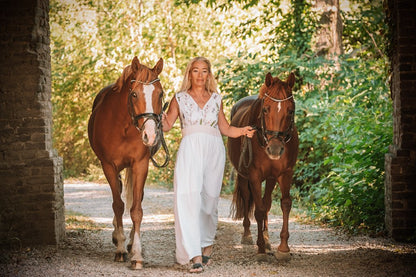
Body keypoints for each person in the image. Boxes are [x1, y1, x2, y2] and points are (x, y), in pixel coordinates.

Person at [162, 57, 255, 273]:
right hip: (190, 150)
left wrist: (243, 131)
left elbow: (225, 128)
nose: (200, 75)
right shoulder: (179, 98)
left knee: (210, 200)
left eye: (204, 71)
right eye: (196, 71)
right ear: (189, 74)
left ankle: (207, 243)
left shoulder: (216, 99)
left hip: (214, 149)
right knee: (188, 199)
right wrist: (155, 113)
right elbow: (167, 125)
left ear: (209, 74)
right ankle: (194, 254)